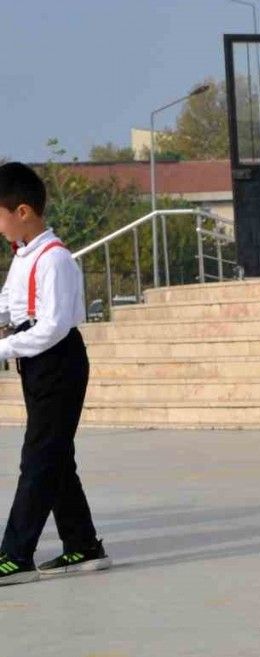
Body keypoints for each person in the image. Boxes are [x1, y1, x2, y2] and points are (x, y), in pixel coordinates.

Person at [0, 162, 110, 586]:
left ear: (23, 211)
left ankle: (15, 555)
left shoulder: (55, 259)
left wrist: (4, 347)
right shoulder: (24, 256)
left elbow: (53, 327)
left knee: (38, 457)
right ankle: (83, 546)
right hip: (35, 362)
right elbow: (9, 306)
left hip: (58, 361)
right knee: (56, 455)